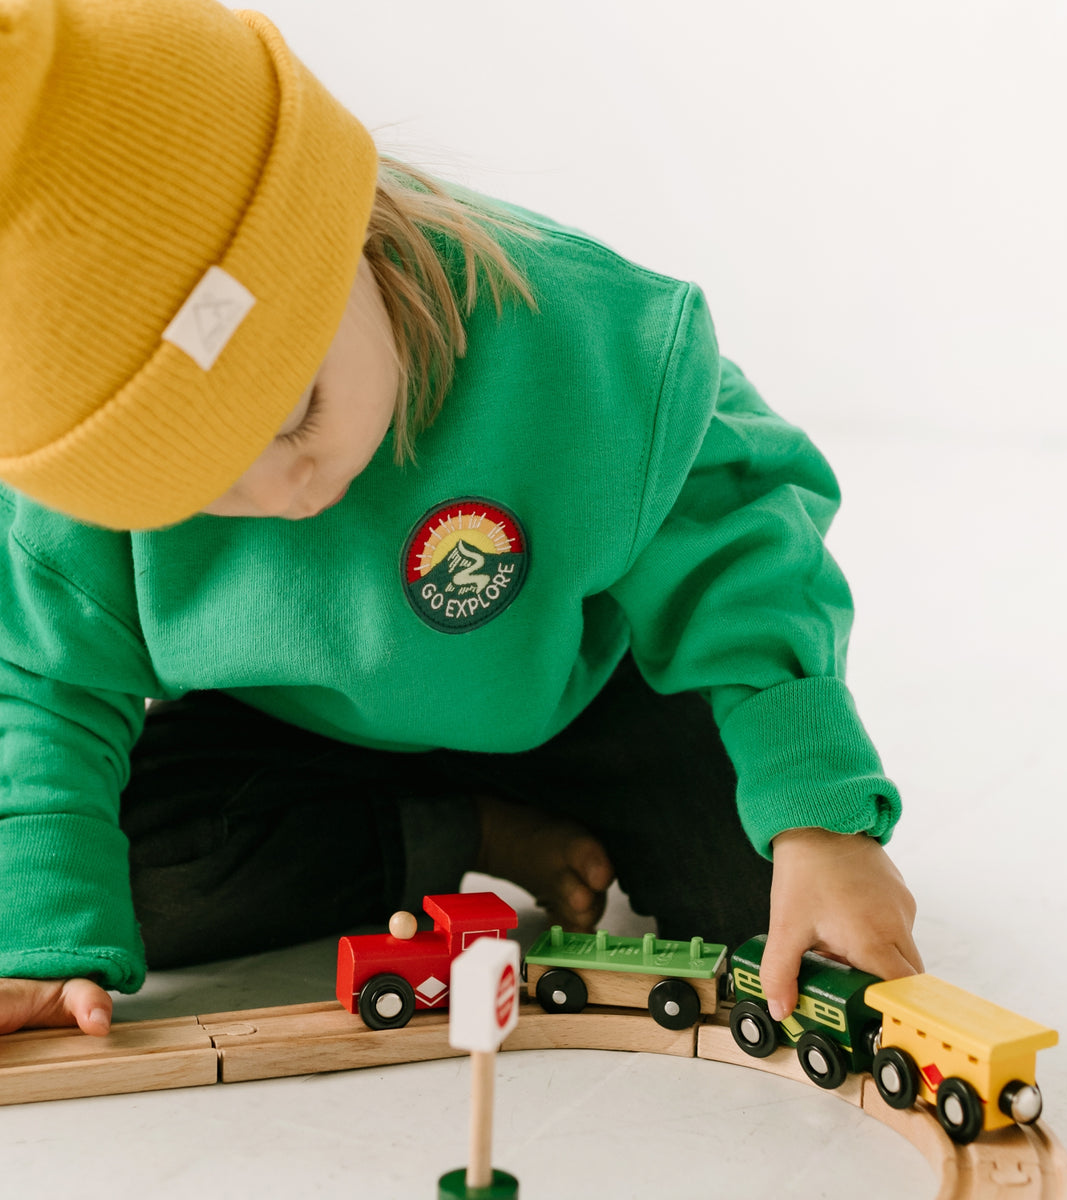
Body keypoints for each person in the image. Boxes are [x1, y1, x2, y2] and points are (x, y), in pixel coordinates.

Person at [0, 0, 921, 1040]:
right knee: (120, 879)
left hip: (576, 695)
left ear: (341, 233)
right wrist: (38, 939)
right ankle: (464, 830)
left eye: (297, 409)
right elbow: (51, 682)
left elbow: (738, 544)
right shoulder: (66, 507)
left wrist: (820, 819)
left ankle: (534, 817)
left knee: (752, 896)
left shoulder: (582, 343)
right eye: (200, 487)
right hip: (298, 728)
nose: (284, 492)